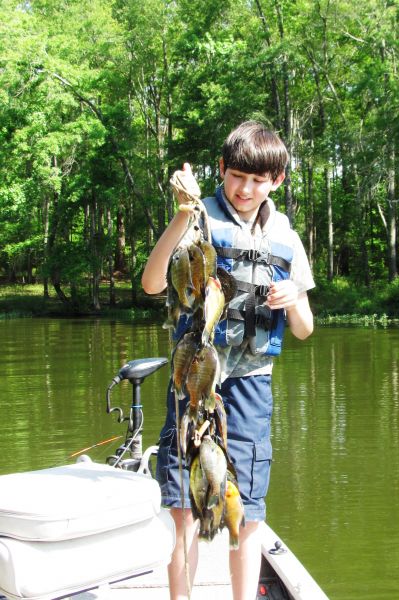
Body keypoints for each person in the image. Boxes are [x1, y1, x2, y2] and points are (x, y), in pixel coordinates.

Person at [142, 121, 315, 600]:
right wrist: (182, 214)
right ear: (222, 170)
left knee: (247, 511)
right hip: (194, 383)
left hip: (251, 387)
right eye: (238, 176)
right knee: (183, 508)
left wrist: (293, 297)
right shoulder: (197, 222)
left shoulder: (286, 236)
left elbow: (304, 329)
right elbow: (153, 283)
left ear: (277, 181)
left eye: (259, 180)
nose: (246, 188)